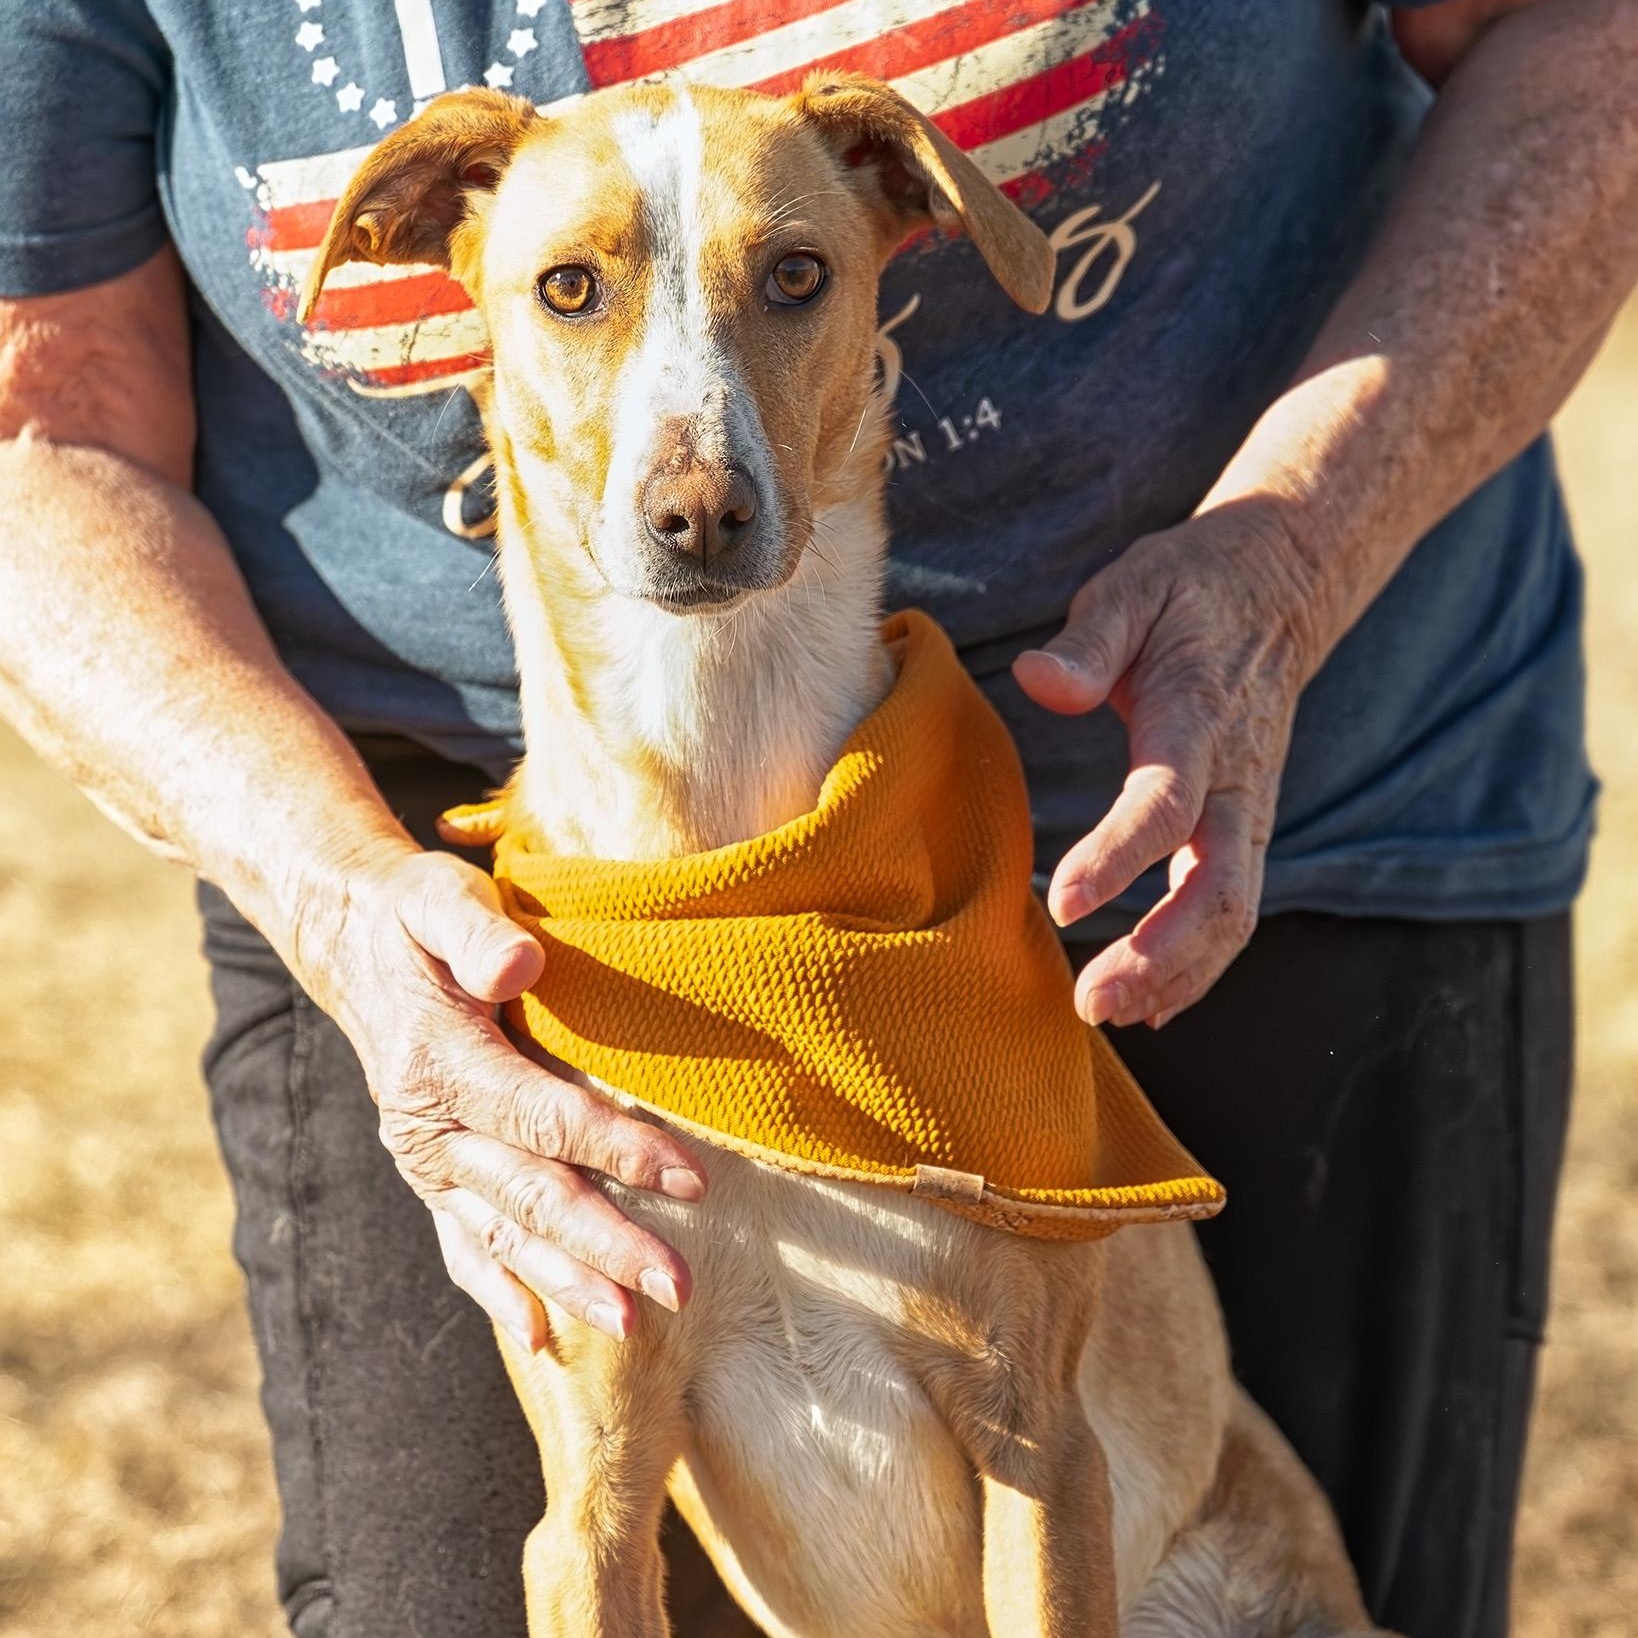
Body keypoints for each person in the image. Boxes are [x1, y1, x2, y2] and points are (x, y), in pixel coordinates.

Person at [0, 1, 1632, 1634]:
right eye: (573, 293)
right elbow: (40, 427)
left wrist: (1290, 556)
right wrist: (339, 887)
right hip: (467, 873)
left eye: (787, 281)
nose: (692, 463)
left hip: (1231, 784)